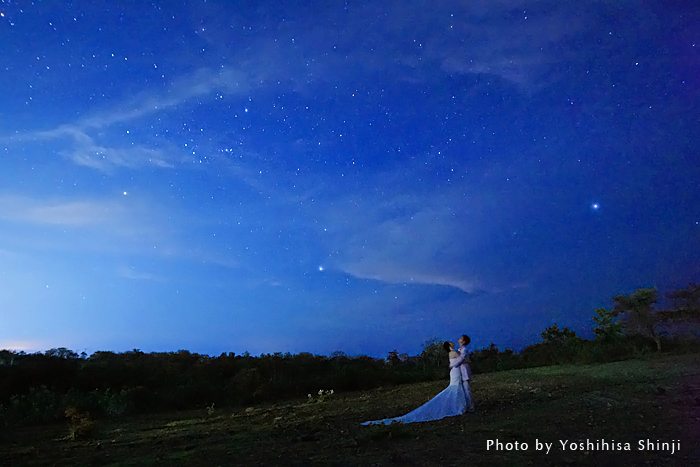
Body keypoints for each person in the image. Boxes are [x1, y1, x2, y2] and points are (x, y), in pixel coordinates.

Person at [361, 341, 469, 425]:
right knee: (455, 389)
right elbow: (461, 360)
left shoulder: (453, 352)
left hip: (455, 373)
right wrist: (463, 353)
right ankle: (459, 407)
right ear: (449, 345)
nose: (452, 342)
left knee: (456, 389)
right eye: (450, 342)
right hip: (455, 373)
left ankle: (461, 406)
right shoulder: (454, 352)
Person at [449, 334, 475, 412]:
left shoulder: (464, 349)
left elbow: (461, 358)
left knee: (466, 390)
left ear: (463, 341)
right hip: (459, 371)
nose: (459, 339)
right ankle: (465, 406)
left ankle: (470, 407)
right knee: (463, 390)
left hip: (464, 371)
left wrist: (452, 364)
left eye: (461, 338)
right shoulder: (459, 349)